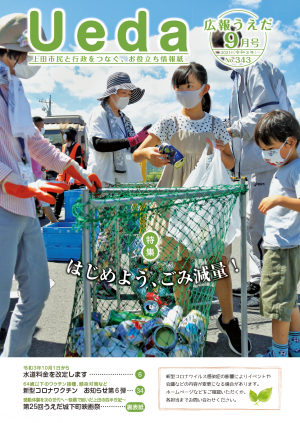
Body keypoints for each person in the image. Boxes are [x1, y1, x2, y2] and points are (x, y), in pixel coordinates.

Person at [0, 13, 101, 357]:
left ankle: (13, 365)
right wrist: (17, 185)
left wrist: (74, 168)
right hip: (5, 202)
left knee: (38, 294)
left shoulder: (15, 89)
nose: (31, 62)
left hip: (26, 208)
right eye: (29, 54)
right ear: (12, 51)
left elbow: (35, 144)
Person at [133, 62, 251, 355]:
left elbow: (230, 164)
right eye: (179, 86)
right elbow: (137, 154)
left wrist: (221, 152)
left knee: (219, 264)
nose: (184, 91)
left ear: (204, 89)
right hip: (175, 203)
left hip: (208, 205)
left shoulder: (215, 125)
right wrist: (151, 153)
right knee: (182, 265)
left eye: (190, 86)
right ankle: (186, 320)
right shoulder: (168, 122)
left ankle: (228, 320)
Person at [212, 29, 296, 309]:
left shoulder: (254, 66)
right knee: (257, 225)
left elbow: (265, 114)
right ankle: (263, 283)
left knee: (262, 225)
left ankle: (266, 286)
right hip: (264, 160)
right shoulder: (242, 73)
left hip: (270, 157)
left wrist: (230, 129)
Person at [254, 110, 300, 357]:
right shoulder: (287, 167)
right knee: (289, 299)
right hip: (284, 244)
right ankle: (294, 346)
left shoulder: (295, 168)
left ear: (290, 141)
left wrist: (279, 200)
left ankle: (279, 354)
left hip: (282, 247)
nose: (267, 154)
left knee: (277, 305)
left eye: (270, 147)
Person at [86, 71, 151, 187]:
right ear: (111, 94)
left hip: (124, 180)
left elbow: (130, 148)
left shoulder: (125, 119)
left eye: (129, 94)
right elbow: (98, 143)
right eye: (124, 93)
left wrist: (143, 140)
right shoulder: (99, 113)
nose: (127, 97)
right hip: (103, 179)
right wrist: (133, 140)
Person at [31, 116, 58, 223]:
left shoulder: (38, 141)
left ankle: (54, 223)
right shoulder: (30, 140)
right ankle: (54, 223)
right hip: (32, 179)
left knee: (44, 202)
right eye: (41, 126)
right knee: (43, 202)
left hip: (38, 178)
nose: (43, 128)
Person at [54, 126, 84, 220]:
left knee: (73, 199)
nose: (64, 136)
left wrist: (72, 177)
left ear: (69, 135)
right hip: (63, 178)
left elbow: (78, 163)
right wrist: (59, 174)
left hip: (73, 179)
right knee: (59, 198)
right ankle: (55, 216)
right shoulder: (63, 147)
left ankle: (74, 218)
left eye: (65, 134)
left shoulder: (77, 147)